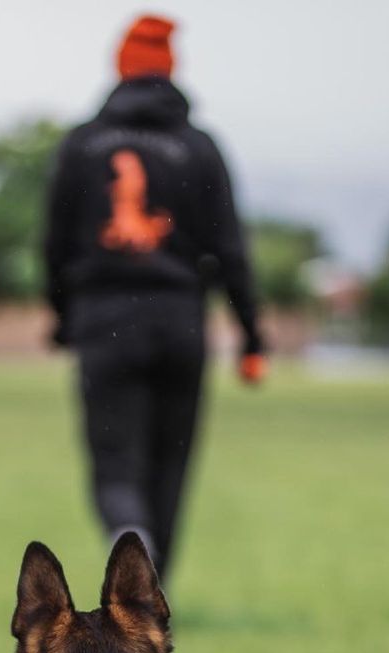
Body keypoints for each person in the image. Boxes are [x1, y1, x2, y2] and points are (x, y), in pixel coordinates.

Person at [44, 14, 267, 580]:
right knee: (170, 465)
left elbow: (55, 243)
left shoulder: (83, 145)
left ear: (120, 69)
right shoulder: (199, 148)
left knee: (116, 465)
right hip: (180, 321)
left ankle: (128, 538)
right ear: (171, 71)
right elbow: (231, 249)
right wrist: (252, 337)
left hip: (104, 317)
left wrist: (63, 317)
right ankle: (148, 595)